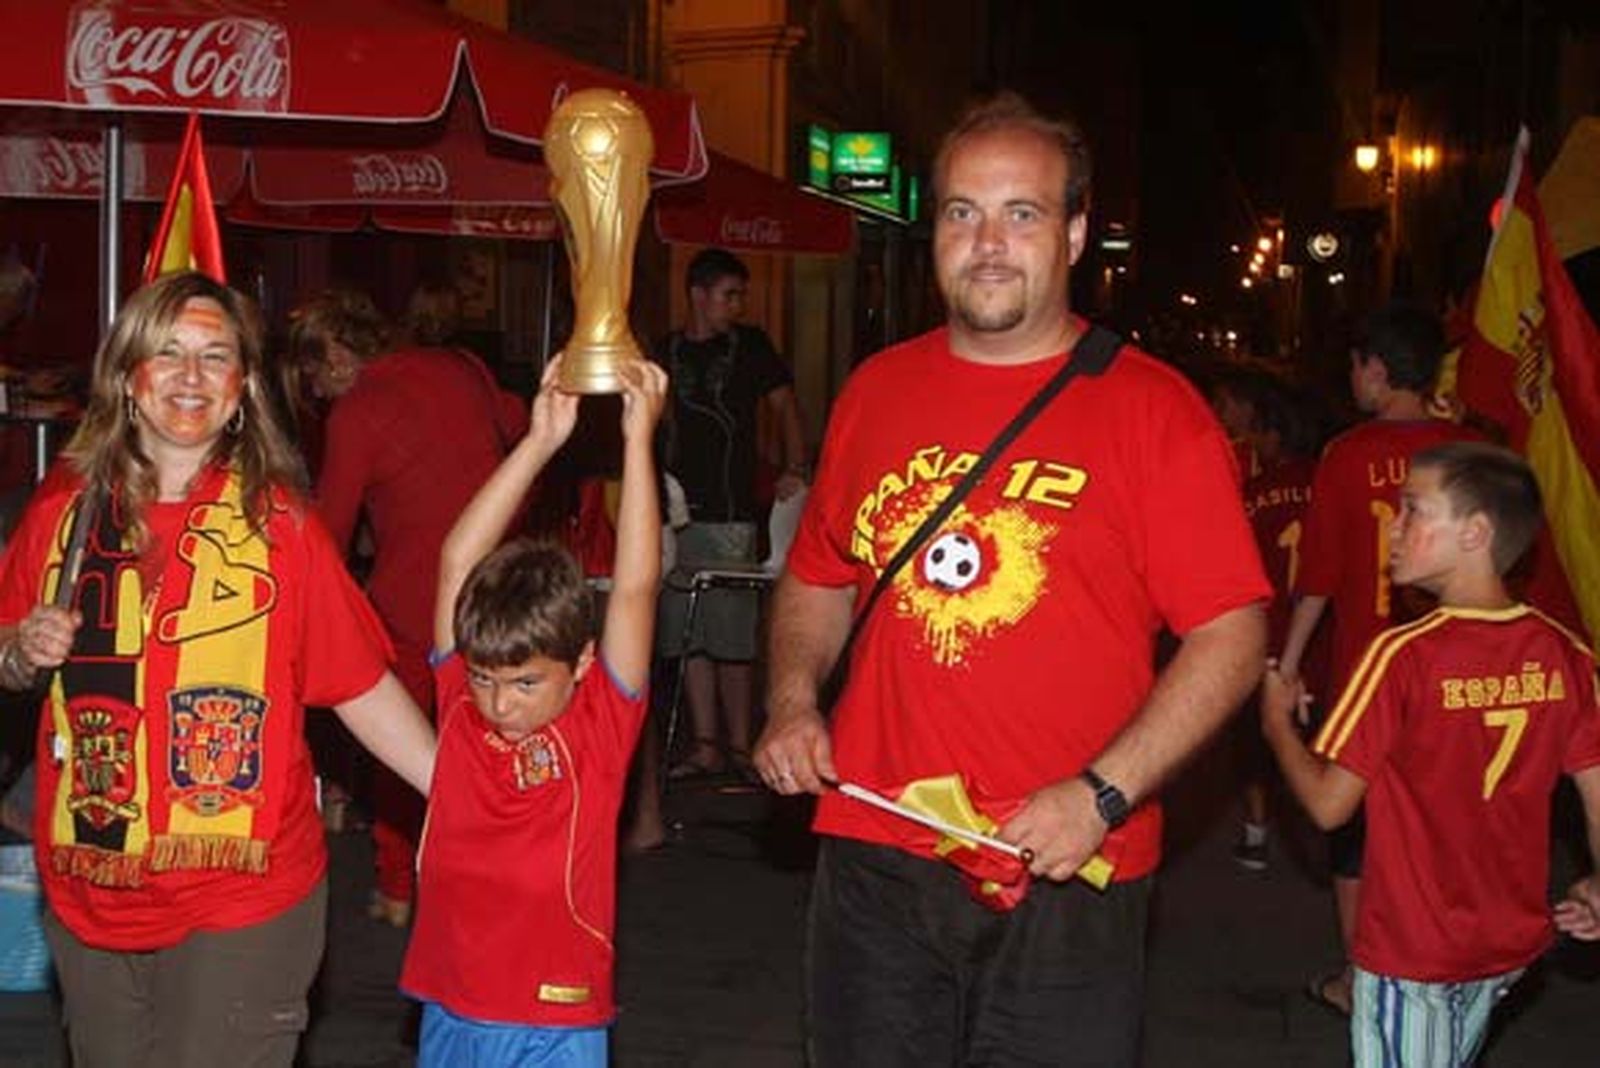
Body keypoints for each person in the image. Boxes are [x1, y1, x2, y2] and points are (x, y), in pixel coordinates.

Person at [753, 92, 1270, 1066]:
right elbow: (818, 575)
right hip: (876, 846)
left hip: (1067, 863)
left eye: (1020, 214)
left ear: (1073, 234)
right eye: (961, 212)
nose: (987, 243)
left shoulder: (1153, 412)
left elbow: (1233, 630)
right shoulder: (875, 390)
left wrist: (1102, 795)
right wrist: (789, 702)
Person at [0, 271, 436, 1068]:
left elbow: (361, 686)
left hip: (243, 891)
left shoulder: (282, 529)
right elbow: (6, 656)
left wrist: (468, 795)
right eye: (167, 354)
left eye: (215, 356)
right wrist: (21, 649)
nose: (191, 376)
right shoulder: (58, 510)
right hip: (91, 886)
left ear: (241, 392)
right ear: (127, 378)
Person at [1261, 441, 1600, 1067]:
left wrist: (1278, 722)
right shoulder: (1565, 653)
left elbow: (1328, 807)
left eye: (1414, 511)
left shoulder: (1404, 656)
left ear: (1475, 532)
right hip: (1508, 947)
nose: (1394, 527)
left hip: (1413, 953)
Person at [399, 353, 665, 1066]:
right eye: (485, 678)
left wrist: (639, 444)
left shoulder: (599, 726)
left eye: (523, 685)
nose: (498, 703)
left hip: (558, 1018)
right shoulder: (460, 707)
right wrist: (539, 442)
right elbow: (457, 560)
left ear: (579, 665)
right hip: (453, 1002)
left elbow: (636, 588)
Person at [291, 288, 524, 925]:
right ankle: (498, 876)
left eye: (314, 375)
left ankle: (399, 887)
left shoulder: (359, 410)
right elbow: (517, 424)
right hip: (497, 596)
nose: (317, 393)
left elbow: (328, 536)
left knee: (403, 746)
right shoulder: (462, 365)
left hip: (415, 603)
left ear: (336, 356)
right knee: (495, 739)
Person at [1275, 302, 1481, 1015]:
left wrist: (1290, 665)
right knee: (1443, 823)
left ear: (1380, 370)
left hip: (1368, 678)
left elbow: (1320, 577)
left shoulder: (1349, 454)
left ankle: (1363, 981)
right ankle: (1443, 968)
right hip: (1460, 675)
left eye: (1358, 364)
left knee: (1355, 832)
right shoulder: (1471, 454)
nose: (1352, 378)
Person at [653, 247, 807, 782]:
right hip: (675, 510)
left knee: (732, 632)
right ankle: (705, 744)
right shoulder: (666, 350)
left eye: (739, 295)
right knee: (686, 631)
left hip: (732, 507)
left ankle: (741, 743)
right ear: (698, 294)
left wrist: (794, 465)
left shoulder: (752, 347)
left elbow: (785, 404)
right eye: (728, 295)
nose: (736, 306)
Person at [1210, 368, 1324, 872]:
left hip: (1266, 630)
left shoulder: (1254, 492)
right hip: (1319, 630)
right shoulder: (1327, 480)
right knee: (1319, 730)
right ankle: (1325, 816)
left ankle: (1257, 835)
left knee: (1257, 739)